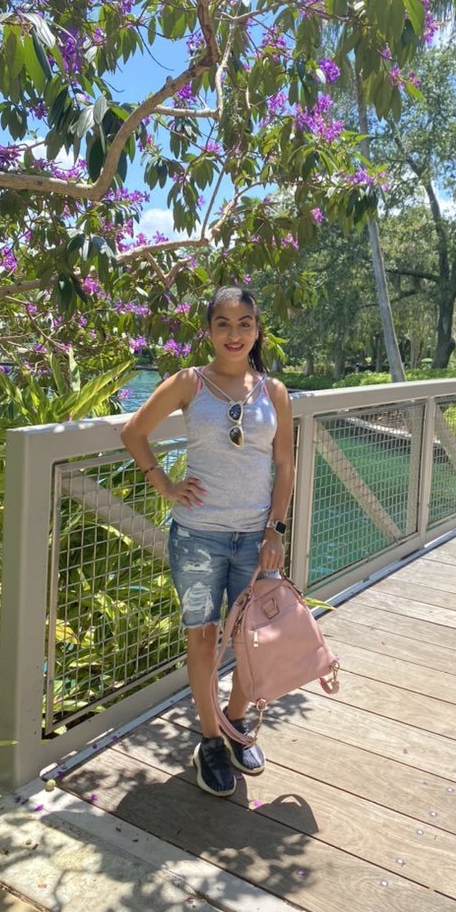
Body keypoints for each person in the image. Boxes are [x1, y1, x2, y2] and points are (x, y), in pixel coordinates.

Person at [120, 285, 295, 797]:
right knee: (202, 638)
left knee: (250, 639)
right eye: (223, 323)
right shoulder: (188, 383)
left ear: (257, 331)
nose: (234, 334)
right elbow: (134, 432)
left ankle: (235, 724)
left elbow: (285, 465)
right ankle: (211, 741)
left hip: (255, 539)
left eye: (245, 324)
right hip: (198, 537)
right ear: (209, 331)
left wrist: (275, 530)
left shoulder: (274, 392)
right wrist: (163, 483)